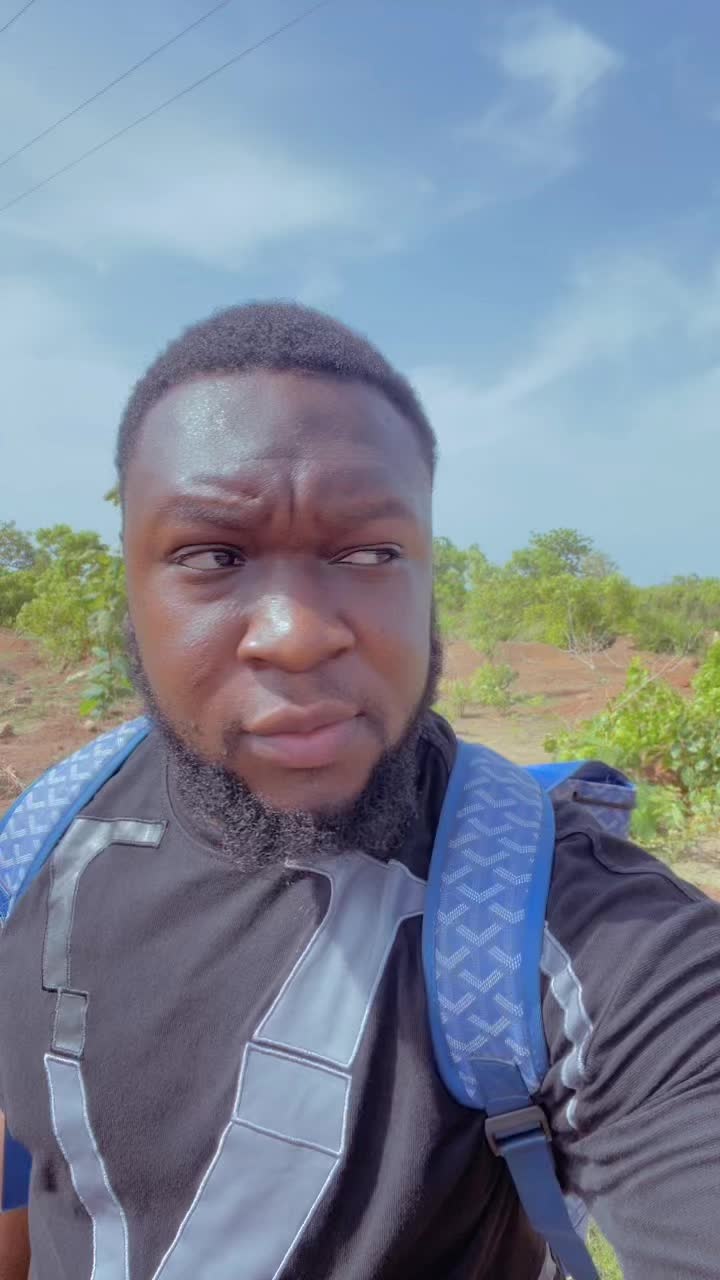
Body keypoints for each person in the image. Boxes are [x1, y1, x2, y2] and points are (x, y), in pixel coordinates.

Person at [1, 301, 719, 1280]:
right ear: (130, 588)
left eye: (370, 553)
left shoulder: (583, 937)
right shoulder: (43, 839)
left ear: (429, 580)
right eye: (213, 555)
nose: (298, 634)